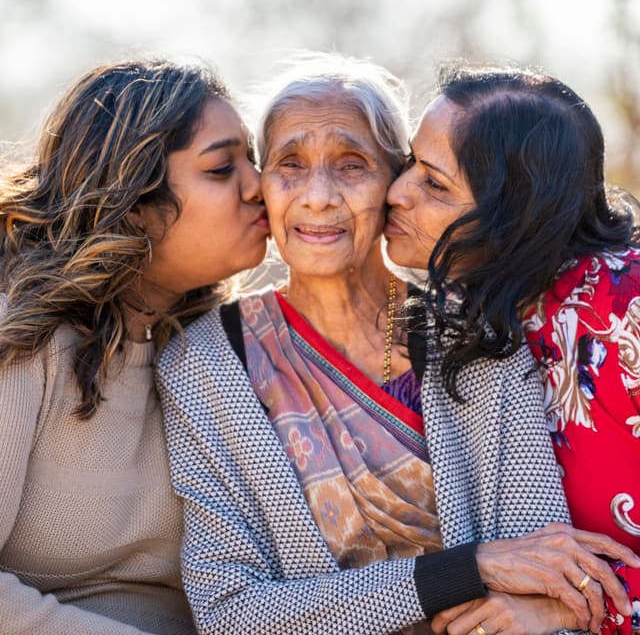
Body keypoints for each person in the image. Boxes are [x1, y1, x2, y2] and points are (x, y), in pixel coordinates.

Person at [157, 53, 638, 635]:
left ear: (393, 179)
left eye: (352, 164)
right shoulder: (202, 362)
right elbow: (233, 614)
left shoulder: (481, 334)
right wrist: (467, 569)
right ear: (263, 186)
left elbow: (543, 566)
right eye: (290, 164)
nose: (317, 196)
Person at [0, 58, 268, 634]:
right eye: (223, 168)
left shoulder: (222, 351)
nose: (259, 186)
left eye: (255, 160)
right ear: (135, 203)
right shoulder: (19, 337)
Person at [384, 63, 640, 635]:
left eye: (434, 183)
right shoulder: (467, 312)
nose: (396, 193)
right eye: (408, 164)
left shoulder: (628, 312)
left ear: (517, 214)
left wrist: (566, 607)